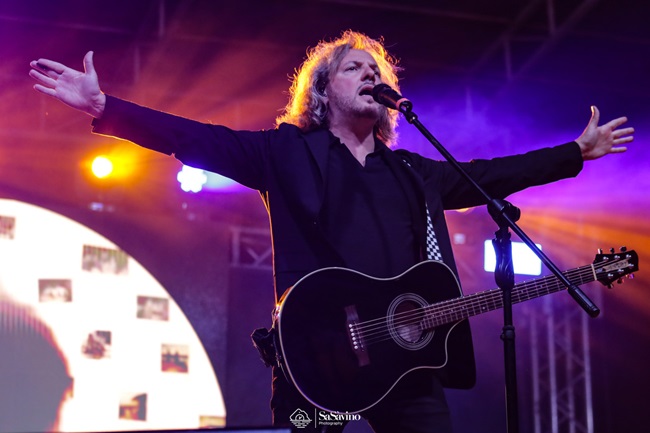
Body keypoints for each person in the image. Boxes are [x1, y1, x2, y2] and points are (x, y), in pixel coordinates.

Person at [29, 30, 633, 433]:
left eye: (376, 69)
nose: (370, 74)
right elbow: (197, 138)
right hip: (315, 354)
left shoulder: (411, 171)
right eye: (354, 68)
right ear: (323, 89)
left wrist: (574, 153)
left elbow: (489, 175)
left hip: (406, 360)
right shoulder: (286, 153)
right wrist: (107, 107)